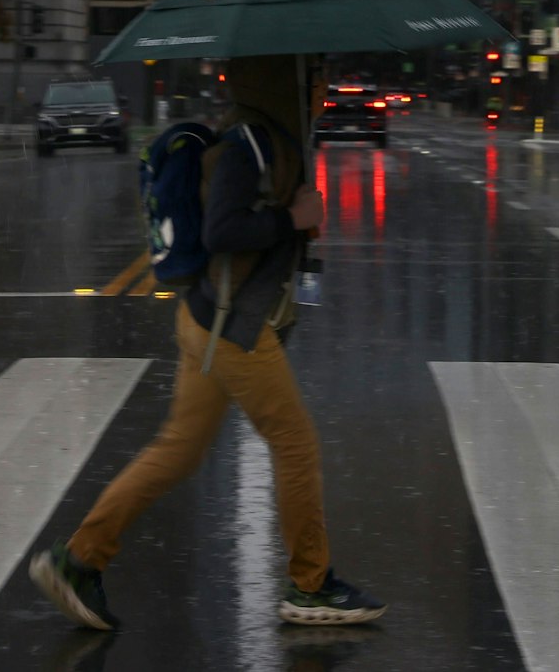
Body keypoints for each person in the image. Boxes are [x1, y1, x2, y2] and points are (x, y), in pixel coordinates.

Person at [30, 54, 386, 631]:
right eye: (314, 77)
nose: (324, 88)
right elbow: (224, 230)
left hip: (207, 319)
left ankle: (77, 561)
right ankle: (311, 586)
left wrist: (296, 221)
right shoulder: (251, 143)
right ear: (283, 80)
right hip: (232, 325)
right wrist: (290, 223)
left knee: (180, 449)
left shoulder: (273, 137)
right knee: (295, 442)